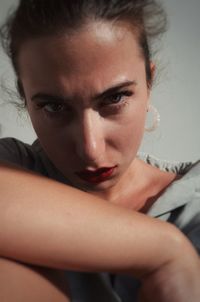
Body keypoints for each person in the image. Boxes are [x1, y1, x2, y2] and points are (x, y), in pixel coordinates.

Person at [0, 0, 199, 301]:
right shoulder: (12, 165)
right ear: (25, 98)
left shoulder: (193, 204)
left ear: (149, 80)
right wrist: (167, 251)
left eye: (115, 97)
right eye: (54, 106)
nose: (90, 149)